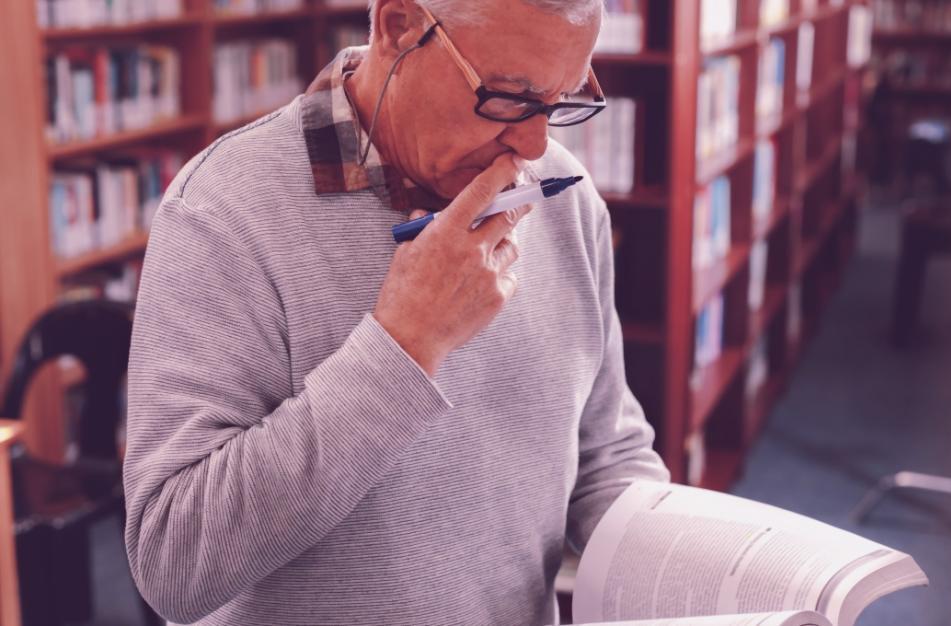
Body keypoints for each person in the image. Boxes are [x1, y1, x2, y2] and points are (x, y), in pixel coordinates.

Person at [122, 0, 669, 623]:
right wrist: (405, 341)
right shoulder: (222, 211)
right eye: (511, 98)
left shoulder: (565, 199)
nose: (534, 143)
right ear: (399, 26)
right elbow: (174, 563)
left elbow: (608, 457)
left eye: (563, 99)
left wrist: (697, 570)